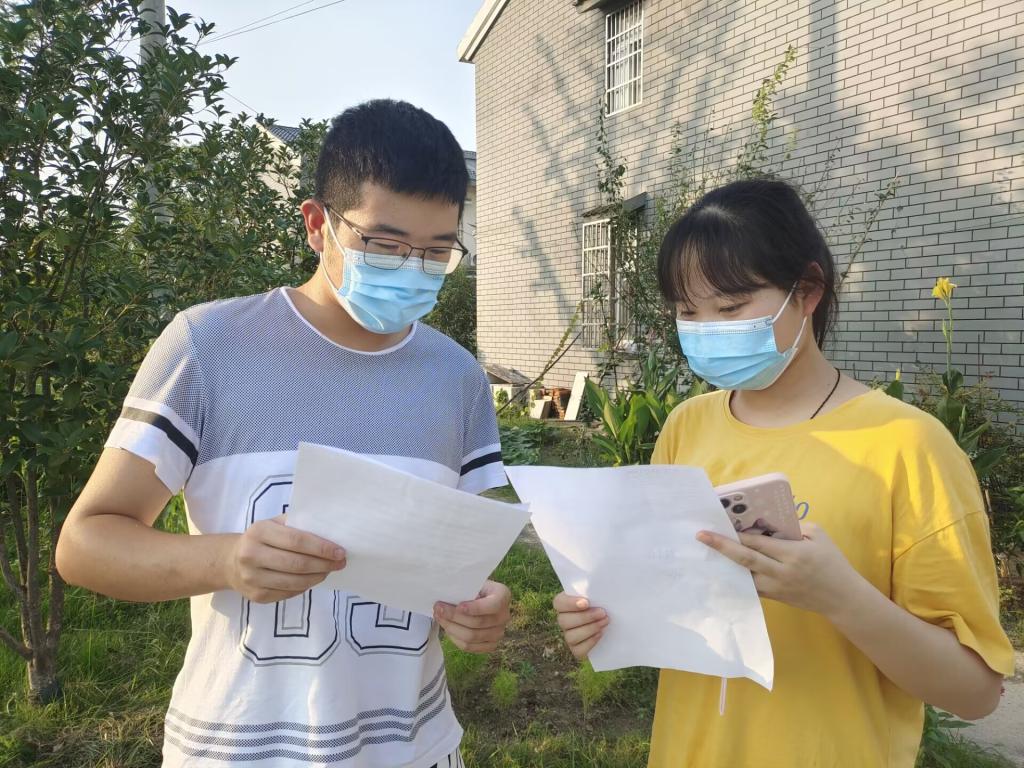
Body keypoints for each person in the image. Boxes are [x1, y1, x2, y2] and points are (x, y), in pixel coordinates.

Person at [57, 99, 509, 768]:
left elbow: (460, 564)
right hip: (237, 747)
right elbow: (84, 544)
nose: (412, 269)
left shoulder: (456, 377)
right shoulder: (209, 347)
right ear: (317, 225)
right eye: (385, 246)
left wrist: (482, 607)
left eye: (437, 252)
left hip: (413, 747)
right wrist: (225, 561)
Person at [552, 178, 1014, 767]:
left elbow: (976, 692)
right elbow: (665, 598)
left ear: (808, 291)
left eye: (731, 308)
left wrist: (840, 597)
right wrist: (599, 615)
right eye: (688, 312)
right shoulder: (687, 427)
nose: (707, 328)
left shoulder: (909, 445)